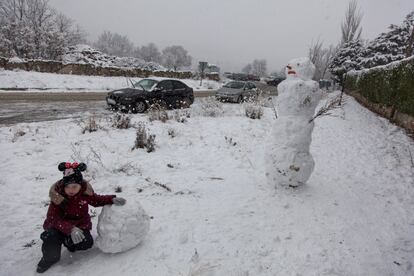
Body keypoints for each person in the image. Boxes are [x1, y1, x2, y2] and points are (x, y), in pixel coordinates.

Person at [36, 162, 126, 273]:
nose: (71, 190)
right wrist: (70, 229)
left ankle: (69, 243)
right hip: (58, 228)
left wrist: (111, 199)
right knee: (50, 236)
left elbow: (97, 200)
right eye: (67, 187)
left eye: (74, 186)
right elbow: (52, 218)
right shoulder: (57, 197)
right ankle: (49, 259)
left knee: (86, 242)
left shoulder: (84, 194)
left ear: (80, 185)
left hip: (80, 226)